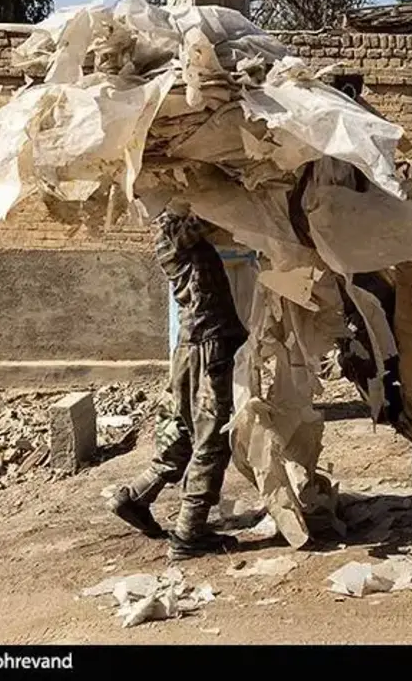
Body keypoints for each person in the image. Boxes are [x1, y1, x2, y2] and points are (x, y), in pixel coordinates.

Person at [107, 206, 248, 561]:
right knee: (213, 439)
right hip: (207, 347)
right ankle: (189, 534)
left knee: (184, 432)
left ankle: (135, 497)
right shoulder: (172, 234)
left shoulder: (175, 237)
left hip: (193, 347)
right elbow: (213, 215)